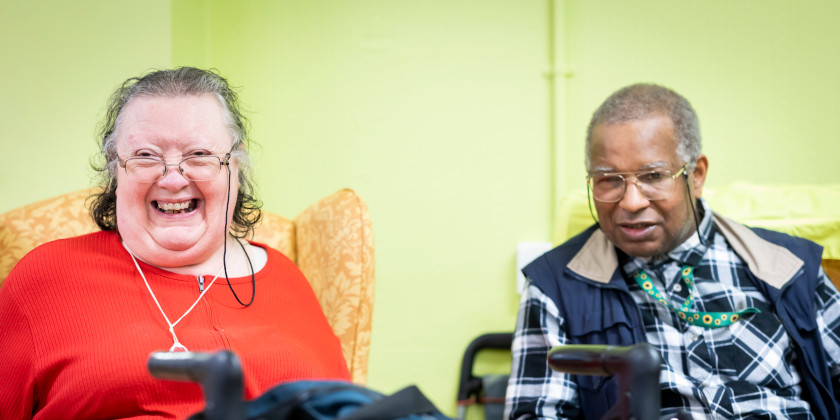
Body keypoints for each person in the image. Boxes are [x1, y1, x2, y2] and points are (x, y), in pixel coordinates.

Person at [0, 67, 350, 419]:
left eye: (199, 154)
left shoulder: (288, 280)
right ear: (115, 169)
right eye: (146, 156)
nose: (171, 179)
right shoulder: (45, 276)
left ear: (236, 165)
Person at [504, 83, 840, 419]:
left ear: (696, 176)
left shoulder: (790, 267)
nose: (632, 202)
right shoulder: (553, 286)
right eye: (609, 180)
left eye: (653, 176)